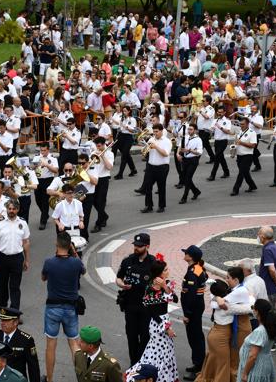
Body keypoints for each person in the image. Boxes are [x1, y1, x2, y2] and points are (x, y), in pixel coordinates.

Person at [41, 231, 85, 382]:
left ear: (57, 244)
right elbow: (83, 270)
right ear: (70, 246)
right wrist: (74, 253)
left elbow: (43, 278)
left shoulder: (49, 262)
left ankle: (50, 379)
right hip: (70, 309)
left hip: (53, 308)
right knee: (74, 344)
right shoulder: (76, 262)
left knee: (51, 345)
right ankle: (82, 377)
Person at [126, 257, 179, 382]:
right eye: (165, 270)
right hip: (157, 324)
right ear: (159, 273)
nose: (168, 271)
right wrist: (167, 328)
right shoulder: (150, 289)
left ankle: (161, 376)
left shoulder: (167, 283)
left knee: (165, 350)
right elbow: (151, 312)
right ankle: (156, 377)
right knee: (160, 352)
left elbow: (175, 299)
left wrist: (165, 286)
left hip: (165, 319)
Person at [116, 233, 157, 365]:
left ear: (147, 246)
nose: (136, 248)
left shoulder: (153, 263)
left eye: (140, 246)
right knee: (131, 336)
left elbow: (159, 283)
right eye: (135, 245)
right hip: (130, 305)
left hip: (146, 307)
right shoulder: (127, 260)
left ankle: (142, 363)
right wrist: (121, 284)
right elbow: (118, 277)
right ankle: (133, 364)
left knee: (145, 336)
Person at [0, 200, 31, 310]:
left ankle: (14, 312)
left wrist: (26, 260)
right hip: (1, 258)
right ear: (7, 209)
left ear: (17, 209)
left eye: (13, 209)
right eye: (9, 208)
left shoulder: (23, 223)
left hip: (17, 258)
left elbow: (26, 242)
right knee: (2, 286)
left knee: (15, 286)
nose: (11, 211)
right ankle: (3, 309)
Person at [0, 308, 40, 382]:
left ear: (15, 322)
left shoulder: (26, 340)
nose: (2, 323)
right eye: (2, 320)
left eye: (6, 320)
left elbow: (33, 368)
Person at [237, 299, 276, 382]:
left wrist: (245, 373)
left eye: (253, 308)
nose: (252, 310)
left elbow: (253, 356)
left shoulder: (259, 331)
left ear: (257, 312)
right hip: (264, 364)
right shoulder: (270, 326)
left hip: (255, 368)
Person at [181, 245, 208, 381]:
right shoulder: (198, 268)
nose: (184, 254)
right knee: (196, 336)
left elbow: (190, 295)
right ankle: (198, 363)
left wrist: (187, 314)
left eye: (186, 253)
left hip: (194, 309)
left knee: (195, 337)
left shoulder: (193, 272)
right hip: (198, 307)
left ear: (190, 257)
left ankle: (199, 367)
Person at [139, 124, 171, 213]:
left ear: (161, 131)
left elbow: (165, 154)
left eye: (156, 131)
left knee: (161, 187)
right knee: (148, 187)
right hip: (150, 166)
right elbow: (146, 150)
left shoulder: (167, 141)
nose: (155, 133)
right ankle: (149, 206)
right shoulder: (151, 139)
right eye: (154, 132)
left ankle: (161, 206)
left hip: (162, 167)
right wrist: (144, 148)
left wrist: (156, 147)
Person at [33, 143, 59, 230]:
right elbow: (31, 167)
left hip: (48, 180)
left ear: (48, 150)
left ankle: (43, 221)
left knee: (45, 201)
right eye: (41, 150)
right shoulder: (37, 157)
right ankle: (45, 214)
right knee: (37, 200)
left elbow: (55, 171)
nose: (42, 152)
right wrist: (34, 166)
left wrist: (47, 165)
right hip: (37, 180)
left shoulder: (53, 158)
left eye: (44, 150)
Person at [92, 136, 114, 232]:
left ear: (104, 144)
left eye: (99, 146)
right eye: (96, 146)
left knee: (101, 202)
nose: (98, 147)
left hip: (104, 179)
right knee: (94, 201)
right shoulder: (93, 152)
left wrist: (102, 156)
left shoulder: (110, 154)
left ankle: (98, 223)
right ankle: (104, 216)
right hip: (94, 179)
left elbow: (109, 167)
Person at [230, 117, 257, 196]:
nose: (241, 126)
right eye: (240, 124)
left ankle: (236, 189)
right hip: (239, 155)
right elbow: (236, 143)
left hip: (247, 156)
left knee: (241, 173)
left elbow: (253, 145)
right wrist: (233, 152)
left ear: (247, 124)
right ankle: (252, 185)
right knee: (245, 172)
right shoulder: (239, 133)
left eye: (243, 124)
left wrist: (241, 143)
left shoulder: (252, 133)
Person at [178, 124, 203, 204]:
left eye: (191, 129)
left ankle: (184, 197)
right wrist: (178, 154)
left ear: (195, 130)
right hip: (185, 160)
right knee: (185, 178)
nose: (189, 131)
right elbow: (179, 146)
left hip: (193, 160)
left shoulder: (198, 140)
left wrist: (189, 150)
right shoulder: (185, 137)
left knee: (188, 178)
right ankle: (196, 191)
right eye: (188, 129)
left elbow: (199, 152)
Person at [207, 106, 231, 181]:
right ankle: (226, 172)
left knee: (217, 158)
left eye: (221, 112)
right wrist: (211, 130)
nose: (219, 113)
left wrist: (219, 127)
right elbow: (211, 131)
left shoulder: (227, 121)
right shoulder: (215, 120)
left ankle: (212, 175)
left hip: (223, 141)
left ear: (224, 112)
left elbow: (228, 131)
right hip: (216, 141)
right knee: (221, 157)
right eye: (218, 112)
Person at [114, 105, 137, 180]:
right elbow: (120, 128)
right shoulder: (122, 118)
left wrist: (126, 126)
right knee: (126, 154)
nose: (124, 112)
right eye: (123, 111)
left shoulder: (132, 119)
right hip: (121, 136)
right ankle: (133, 169)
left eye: (125, 111)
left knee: (124, 155)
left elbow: (133, 130)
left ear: (129, 111)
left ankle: (120, 174)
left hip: (128, 137)